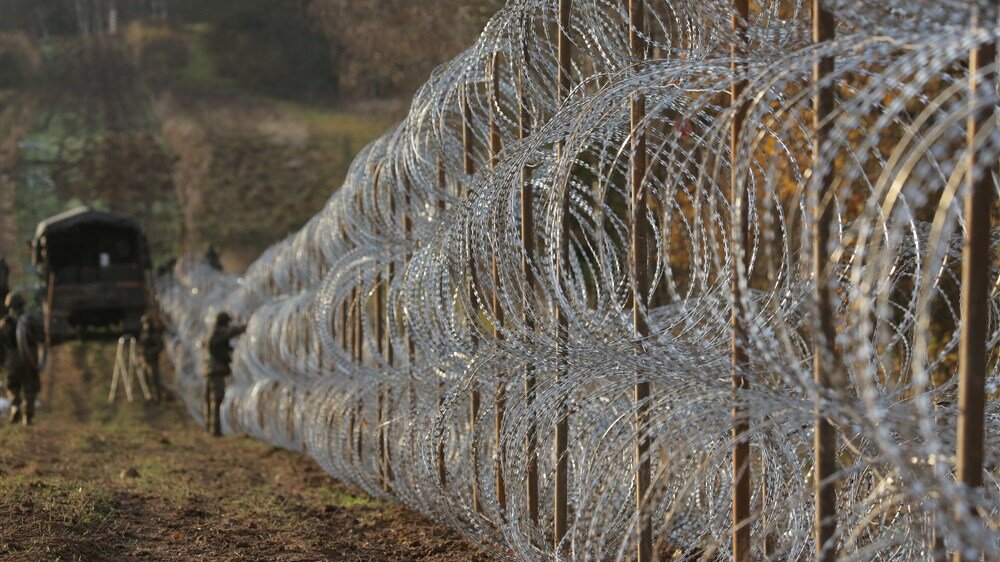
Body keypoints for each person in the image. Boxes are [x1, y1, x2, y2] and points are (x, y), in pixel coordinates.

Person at [202, 311, 246, 436]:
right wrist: (247, 326)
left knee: (208, 399)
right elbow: (230, 333)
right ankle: (215, 429)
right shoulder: (217, 333)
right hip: (216, 370)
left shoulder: (210, 334)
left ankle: (208, 427)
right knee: (216, 399)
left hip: (207, 369)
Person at [0, 293, 40, 425]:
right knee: (30, 386)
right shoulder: (30, 320)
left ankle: (15, 406)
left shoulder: (4, 323)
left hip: (11, 359)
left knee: (12, 386)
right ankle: (27, 416)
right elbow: (41, 336)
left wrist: (2, 362)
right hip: (28, 357)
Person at [139, 313, 165, 402]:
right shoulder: (144, 334)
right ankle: (150, 395)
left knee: (155, 378)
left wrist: (152, 351)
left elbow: (160, 346)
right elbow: (142, 346)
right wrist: (142, 356)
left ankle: (158, 396)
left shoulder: (155, 334)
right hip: (145, 360)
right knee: (146, 378)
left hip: (153, 360)